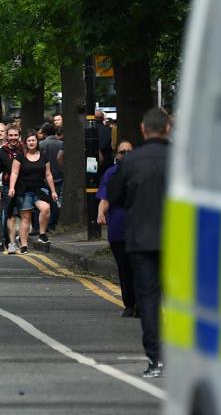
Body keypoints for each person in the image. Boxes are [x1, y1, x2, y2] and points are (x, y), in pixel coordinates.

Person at [108, 108, 171, 379]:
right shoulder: (182, 159)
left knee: (148, 298)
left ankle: (155, 358)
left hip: (142, 239)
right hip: (177, 239)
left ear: (144, 130)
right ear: (167, 129)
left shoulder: (131, 162)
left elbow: (115, 196)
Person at [96, 141, 137, 317]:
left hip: (138, 228)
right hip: (118, 228)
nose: (125, 155)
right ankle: (129, 304)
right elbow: (105, 199)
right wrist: (100, 213)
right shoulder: (111, 174)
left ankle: (142, 304)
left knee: (140, 267)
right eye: (122, 152)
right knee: (124, 267)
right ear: (116, 155)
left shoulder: (141, 172)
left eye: (129, 151)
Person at [8, 131, 58, 253]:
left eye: (33, 140)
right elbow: (14, 173)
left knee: (46, 208)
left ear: (37, 142)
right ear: (25, 142)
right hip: (24, 190)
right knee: (26, 218)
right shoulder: (20, 156)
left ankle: (42, 234)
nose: (31, 143)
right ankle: (24, 245)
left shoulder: (43, 156)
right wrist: (11, 187)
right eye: (29, 140)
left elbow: (48, 174)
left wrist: (53, 191)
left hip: (39, 189)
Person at [0, 125, 22, 253]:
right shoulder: (1, 152)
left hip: (24, 186)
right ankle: (11, 242)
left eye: (15, 135)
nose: (13, 138)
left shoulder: (24, 149)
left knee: (25, 215)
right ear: (7, 136)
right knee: (10, 216)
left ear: (19, 136)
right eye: (10, 135)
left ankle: (23, 240)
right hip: (7, 187)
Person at [38, 121, 64, 233]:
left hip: (44, 178)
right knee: (56, 201)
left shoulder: (41, 145)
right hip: (59, 176)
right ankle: (52, 224)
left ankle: (43, 225)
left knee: (44, 202)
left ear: (44, 133)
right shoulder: (61, 144)